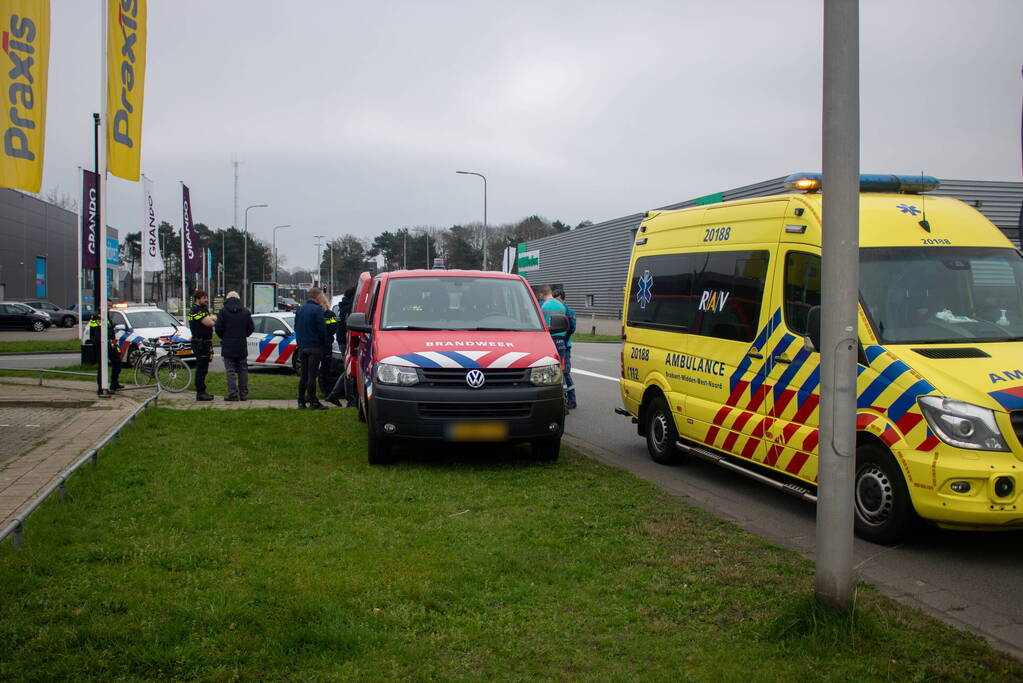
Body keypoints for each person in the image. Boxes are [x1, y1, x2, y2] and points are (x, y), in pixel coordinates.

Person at [214, 290, 254, 401]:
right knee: (243, 370)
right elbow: (251, 327)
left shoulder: (223, 311)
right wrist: (243, 335)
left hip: (228, 345)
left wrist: (224, 336)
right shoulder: (245, 312)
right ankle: (244, 394)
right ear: (238, 299)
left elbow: (218, 328)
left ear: (227, 299)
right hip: (241, 344)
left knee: (230, 371)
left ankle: (233, 394)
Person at [295, 286, 328, 409]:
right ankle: (313, 401)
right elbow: (322, 329)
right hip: (314, 346)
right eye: (321, 297)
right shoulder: (317, 310)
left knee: (303, 376)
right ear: (318, 297)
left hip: (302, 346)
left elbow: (296, 326)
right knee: (312, 376)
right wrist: (324, 343)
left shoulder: (300, 309)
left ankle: (301, 401)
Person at [537, 284, 570, 409]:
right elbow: (568, 324)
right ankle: (565, 402)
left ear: (541, 294)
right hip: (561, 342)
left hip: (548, 341)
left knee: (546, 372)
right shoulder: (562, 306)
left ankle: (549, 402)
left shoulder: (542, 306)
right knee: (561, 370)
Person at [326, 286, 356, 407]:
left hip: (342, 340)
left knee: (347, 370)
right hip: (346, 341)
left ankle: (338, 395)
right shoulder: (349, 308)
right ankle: (346, 398)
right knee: (348, 370)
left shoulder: (342, 307)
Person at [88, 302, 123, 394]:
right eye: (107, 305)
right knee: (102, 366)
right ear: (100, 305)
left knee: (117, 363)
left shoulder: (107, 315)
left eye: (110, 305)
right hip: (101, 344)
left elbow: (108, 328)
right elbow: (97, 331)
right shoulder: (97, 316)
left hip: (110, 343)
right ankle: (100, 388)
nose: (109, 307)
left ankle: (114, 383)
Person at [188, 290, 217, 401]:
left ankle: (202, 391)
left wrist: (211, 318)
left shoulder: (202, 309)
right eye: (204, 298)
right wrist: (213, 319)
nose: (206, 300)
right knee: (201, 368)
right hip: (200, 343)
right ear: (198, 299)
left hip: (204, 342)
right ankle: (200, 393)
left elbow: (210, 318)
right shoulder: (196, 310)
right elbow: (209, 322)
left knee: (204, 368)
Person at [554, 288, 577, 410]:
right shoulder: (554, 310)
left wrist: (564, 338)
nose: (558, 303)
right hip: (557, 345)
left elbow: (572, 328)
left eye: (559, 300)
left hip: (565, 347)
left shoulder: (568, 311)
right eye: (555, 300)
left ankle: (572, 400)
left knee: (566, 372)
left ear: (564, 299)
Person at [317, 292, 339, 400]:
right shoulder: (317, 314)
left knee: (326, 369)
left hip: (326, 345)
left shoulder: (331, 315)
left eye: (322, 305)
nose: (320, 307)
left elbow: (333, 328)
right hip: (318, 345)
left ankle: (327, 391)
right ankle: (323, 389)